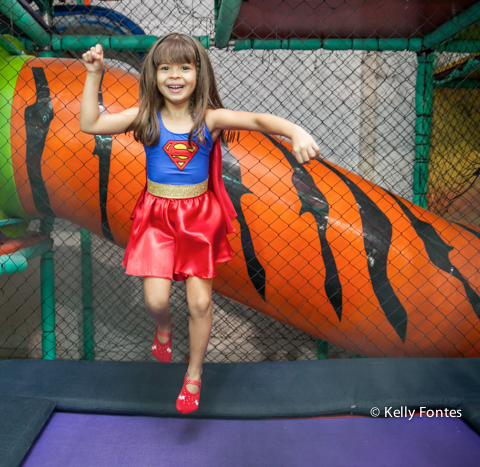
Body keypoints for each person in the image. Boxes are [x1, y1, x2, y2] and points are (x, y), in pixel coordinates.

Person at [79, 33, 320, 414]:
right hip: (157, 218)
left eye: (185, 68)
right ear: (154, 75)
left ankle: (193, 374)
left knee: (201, 302)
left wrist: (295, 131)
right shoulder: (145, 117)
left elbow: (256, 119)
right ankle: (163, 327)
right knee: (156, 300)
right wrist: (95, 74)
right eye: (165, 68)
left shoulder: (209, 119)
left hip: (197, 220)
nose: (175, 76)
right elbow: (91, 124)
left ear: (199, 73)